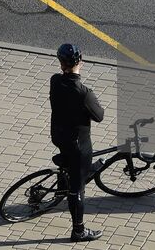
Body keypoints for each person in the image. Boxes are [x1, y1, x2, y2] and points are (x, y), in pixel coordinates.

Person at [49, 43, 104, 242]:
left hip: (58, 135)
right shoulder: (84, 92)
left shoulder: (55, 81)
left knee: (71, 165)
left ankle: (62, 184)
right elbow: (100, 116)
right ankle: (78, 231)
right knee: (77, 189)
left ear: (61, 62)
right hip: (78, 145)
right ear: (79, 62)